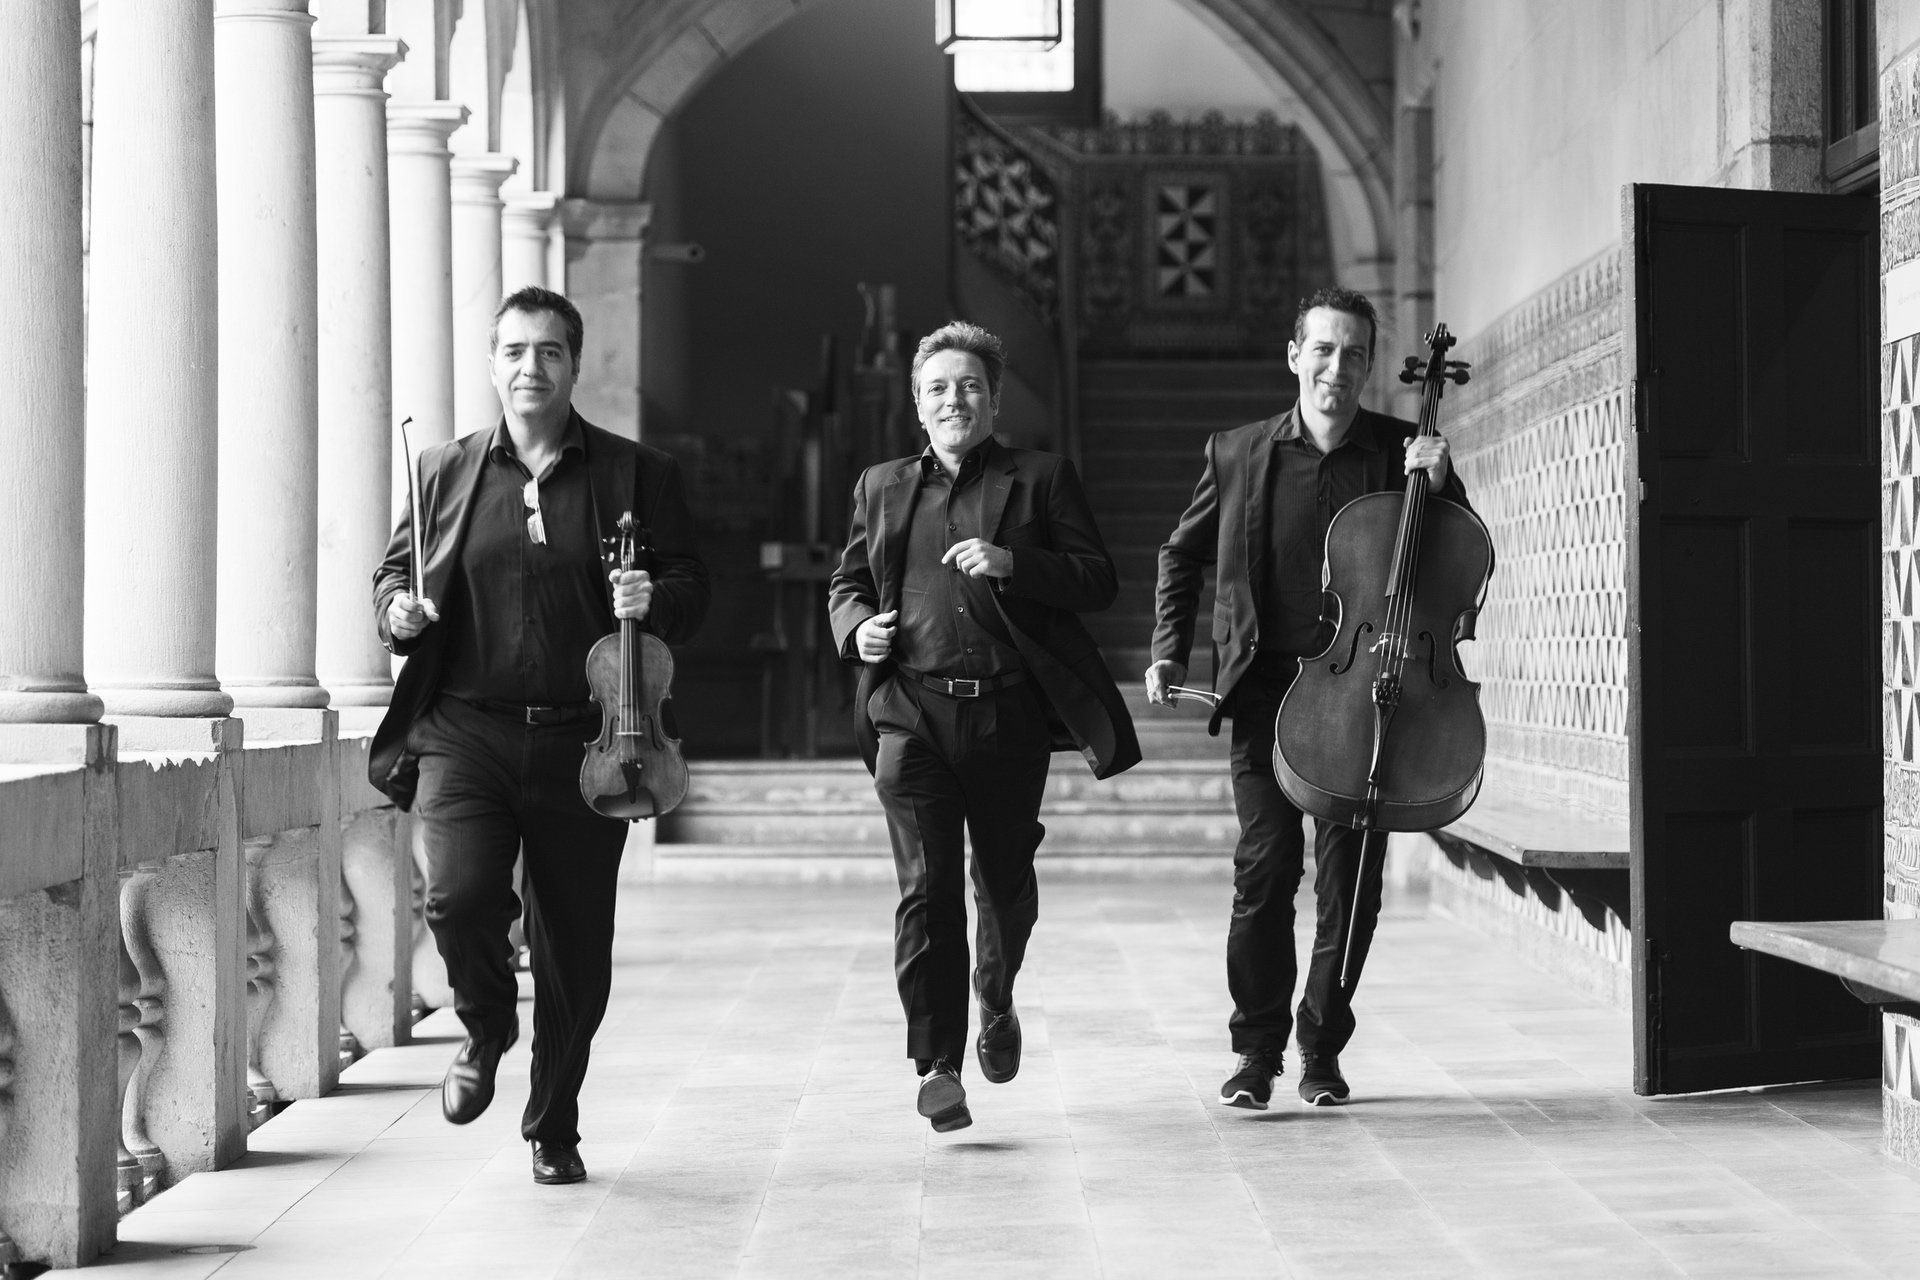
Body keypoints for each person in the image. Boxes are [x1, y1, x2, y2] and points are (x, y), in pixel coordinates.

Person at [368, 286, 708, 1183]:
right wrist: (397, 612)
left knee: (576, 952)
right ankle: (486, 1025)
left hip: (591, 739)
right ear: (493, 365)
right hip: (464, 731)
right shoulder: (443, 471)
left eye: (550, 351)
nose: (531, 367)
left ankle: (553, 1122)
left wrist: (656, 596)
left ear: (574, 365)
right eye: (515, 351)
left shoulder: (637, 474)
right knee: (458, 898)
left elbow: (692, 588)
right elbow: (394, 576)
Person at [1146, 287, 1467, 1110]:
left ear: (1370, 365)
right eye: (1322, 349)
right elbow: (1180, 554)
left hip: (1368, 700)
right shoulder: (1239, 453)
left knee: (1351, 888)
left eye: (1353, 353)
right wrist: (1168, 648)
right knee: (1264, 872)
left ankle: (1321, 1048)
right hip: (1267, 696)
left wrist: (1444, 486)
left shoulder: (1402, 453)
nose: (1336, 367)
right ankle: (1256, 1053)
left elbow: (1454, 561)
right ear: (1295, 355)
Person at [828, 321, 1140, 1132]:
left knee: (1002, 887)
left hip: (1007, 713)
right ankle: (938, 1065)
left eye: (969, 385)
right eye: (937, 387)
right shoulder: (881, 485)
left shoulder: (1041, 479)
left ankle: (995, 995)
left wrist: (1013, 563)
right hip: (910, 714)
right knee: (926, 891)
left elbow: (1098, 580)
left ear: (994, 399)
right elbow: (847, 583)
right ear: (917, 404)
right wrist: (857, 629)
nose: (953, 399)